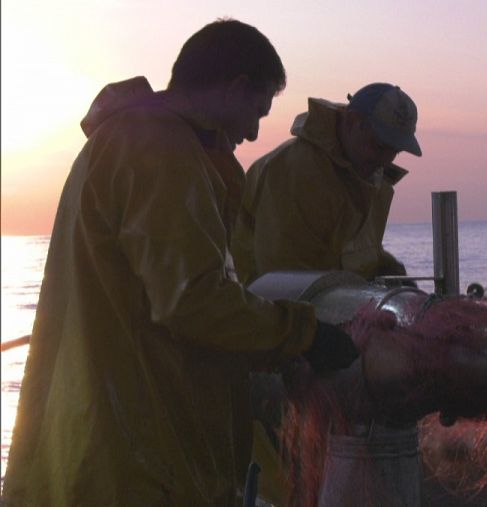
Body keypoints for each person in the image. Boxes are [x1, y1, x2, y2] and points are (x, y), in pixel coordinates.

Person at [1, 19, 358, 506]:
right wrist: (305, 334)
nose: (254, 133)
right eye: (257, 111)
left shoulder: (119, 140)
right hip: (141, 463)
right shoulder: (159, 148)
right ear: (235, 88)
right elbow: (193, 300)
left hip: (101, 446)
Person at [230, 82, 422, 285]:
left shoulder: (368, 175)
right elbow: (284, 284)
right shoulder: (295, 172)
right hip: (267, 312)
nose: (384, 159)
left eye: (394, 150)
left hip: (327, 307)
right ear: (351, 122)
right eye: (379, 145)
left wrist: (390, 271)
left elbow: (350, 253)